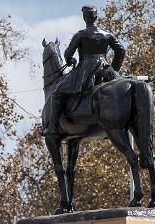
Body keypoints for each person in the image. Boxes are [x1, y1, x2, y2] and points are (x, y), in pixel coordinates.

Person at [42, 5, 125, 137]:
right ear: (96, 17)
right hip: (104, 69)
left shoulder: (81, 35)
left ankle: (52, 127)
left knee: (56, 93)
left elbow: (68, 53)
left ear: (84, 18)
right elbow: (121, 51)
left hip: (85, 70)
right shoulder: (107, 35)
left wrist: (70, 61)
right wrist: (113, 68)